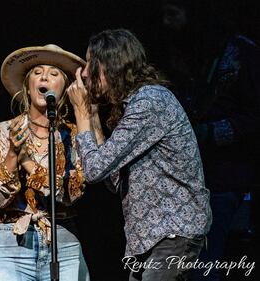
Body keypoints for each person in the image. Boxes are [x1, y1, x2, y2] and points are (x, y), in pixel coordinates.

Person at [66, 28, 212, 281]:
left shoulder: (150, 102)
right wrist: (92, 116)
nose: (85, 72)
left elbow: (93, 171)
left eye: (91, 63)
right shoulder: (136, 105)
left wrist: (80, 114)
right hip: (150, 239)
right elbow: (112, 179)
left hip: (172, 233)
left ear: (112, 64)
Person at [158, 1, 260, 280]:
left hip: (228, 180)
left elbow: (253, 118)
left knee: (207, 267)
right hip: (196, 182)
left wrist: (208, 132)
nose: (166, 23)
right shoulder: (194, 55)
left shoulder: (242, 52)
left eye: (173, 13)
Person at [0, 44, 90, 281]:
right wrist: (12, 154)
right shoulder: (2, 131)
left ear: (64, 89)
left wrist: (28, 164)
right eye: (37, 71)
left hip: (63, 241)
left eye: (54, 73)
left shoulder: (73, 136)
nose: (44, 77)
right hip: (10, 241)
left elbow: (74, 192)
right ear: (28, 88)